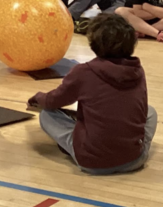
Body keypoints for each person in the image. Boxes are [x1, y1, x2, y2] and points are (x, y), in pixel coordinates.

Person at [28, 13, 156, 174]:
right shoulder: (137, 69)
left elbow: (54, 101)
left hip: (92, 162)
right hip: (134, 160)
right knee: (150, 112)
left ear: (94, 43)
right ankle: (132, 148)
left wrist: (39, 97)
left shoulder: (84, 71)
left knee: (46, 115)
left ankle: (78, 147)